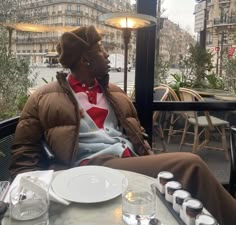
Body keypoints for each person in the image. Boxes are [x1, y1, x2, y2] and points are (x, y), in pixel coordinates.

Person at [10, 26, 236, 225]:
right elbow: (24, 150)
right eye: (100, 49)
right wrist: (28, 197)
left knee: (181, 189)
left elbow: (138, 135)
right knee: (191, 165)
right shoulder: (44, 97)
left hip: (127, 161)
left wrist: (148, 154)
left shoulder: (115, 94)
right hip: (89, 167)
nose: (107, 55)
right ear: (84, 60)